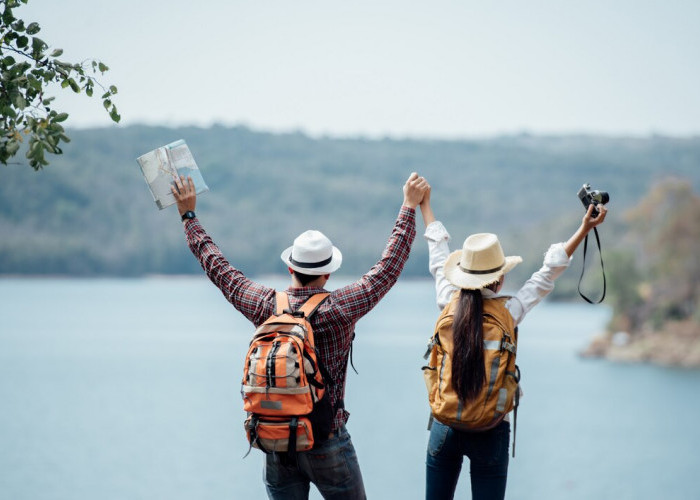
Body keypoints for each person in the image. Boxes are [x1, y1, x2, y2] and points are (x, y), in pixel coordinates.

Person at [170, 172, 429, 500]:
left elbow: (219, 269)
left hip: (277, 440)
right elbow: (388, 268)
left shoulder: (266, 306)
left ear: (290, 268)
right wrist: (408, 206)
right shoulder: (338, 309)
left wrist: (188, 215)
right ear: (327, 272)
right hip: (326, 440)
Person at [418, 184, 608, 500]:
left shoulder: (447, 300)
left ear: (463, 274)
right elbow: (547, 274)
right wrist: (585, 227)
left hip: (445, 423)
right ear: (500, 278)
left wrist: (425, 206)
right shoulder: (509, 310)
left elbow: (437, 254)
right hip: (490, 429)